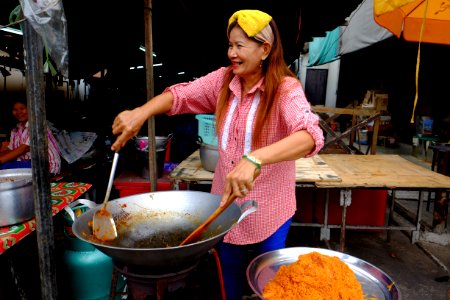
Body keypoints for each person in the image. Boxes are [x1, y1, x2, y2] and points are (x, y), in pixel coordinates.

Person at [111, 9, 324, 299]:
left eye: (239, 46)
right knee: (229, 278)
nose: (231, 53)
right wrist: (140, 113)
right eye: (230, 45)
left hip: (270, 209)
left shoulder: (285, 89)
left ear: (264, 49)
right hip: (226, 209)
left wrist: (256, 158)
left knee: (270, 286)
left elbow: (310, 136)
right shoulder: (224, 81)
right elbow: (182, 95)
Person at [0, 99, 61, 175]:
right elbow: (10, 150)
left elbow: (24, 148)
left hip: (46, 166)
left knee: (4, 167)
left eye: (22, 108)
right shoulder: (16, 129)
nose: (18, 112)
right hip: (29, 164)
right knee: (5, 166)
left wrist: (1, 160)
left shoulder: (37, 125)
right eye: (15, 110)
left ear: (30, 108)